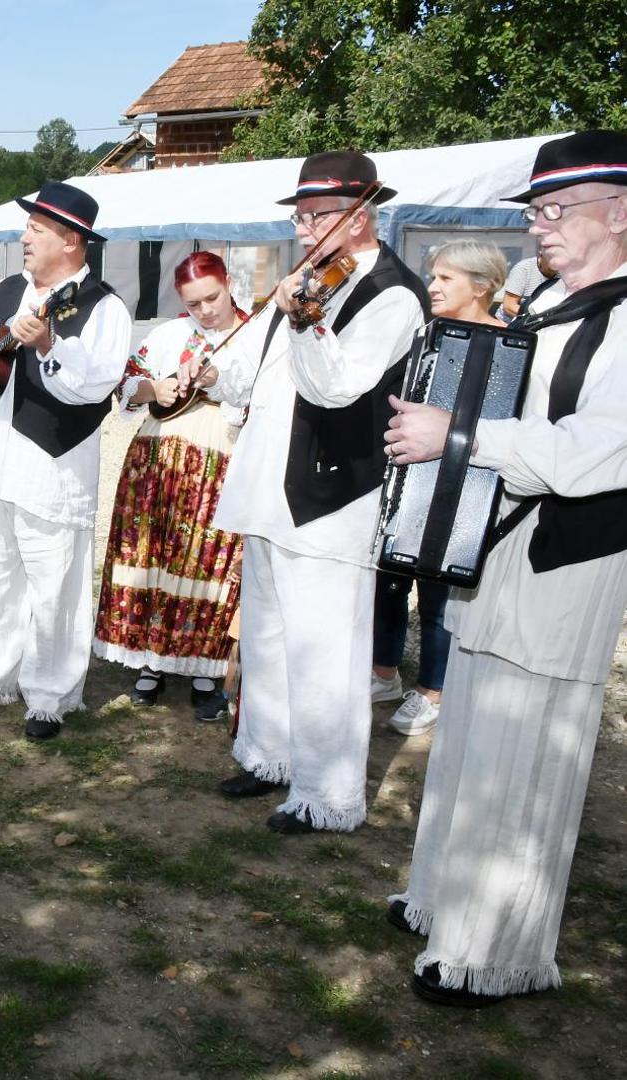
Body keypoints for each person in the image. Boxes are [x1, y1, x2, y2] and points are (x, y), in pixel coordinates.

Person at [384, 130, 627, 1007]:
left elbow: (599, 451)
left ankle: (495, 954)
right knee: (472, 743)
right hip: (495, 547)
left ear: (623, 211)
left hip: (566, 563)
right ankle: (444, 906)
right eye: (536, 211)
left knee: (526, 749)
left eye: (559, 209)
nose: (540, 227)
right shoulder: (552, 305)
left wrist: (455, 435)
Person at [185, 151, 428, 833]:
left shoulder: (394, 293)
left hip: (332, 494)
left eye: (317, 215)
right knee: (266, 634)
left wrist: (303, 318)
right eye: (299, 215)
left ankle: (329, 794)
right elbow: (255, 375)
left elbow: (337, 384)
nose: (303, 226)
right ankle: (270, 757)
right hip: (270, 481)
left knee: (325, 648)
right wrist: (211, 372)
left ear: (361, 217)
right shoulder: (306, 280)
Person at [0, 181, 132, 741]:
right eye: (28, 228)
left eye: (36, 230)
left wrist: (47, 345)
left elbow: (93, 385)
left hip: (53, 468)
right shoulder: (1, 292)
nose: (24, 238)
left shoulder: (102, 306)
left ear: (70, 240)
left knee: (55, 586)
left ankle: (50, 696)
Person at [92, 252, 245, 721]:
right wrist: (152, 389)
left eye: (212, 297)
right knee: (150, 554)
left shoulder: (256, 334)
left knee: (206, 559)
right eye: (193, 302)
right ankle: (149, 661)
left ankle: (203, 667)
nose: (204, 310)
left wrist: (224, 384)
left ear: (229, 283)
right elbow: (126, 381)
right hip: (157, 456)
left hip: (221, 457)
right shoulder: (169, 334)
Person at [372, 240, 508, 737]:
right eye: (434, 276)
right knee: (389, 578)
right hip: (410, 477)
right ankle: (383, 673)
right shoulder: (426, 335)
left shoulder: (511, 345)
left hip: (464, 488)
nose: (432, 286)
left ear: (483, 285)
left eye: (446, 278)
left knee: (438, 594)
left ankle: (433, 690)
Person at [500, 251, 557, 321]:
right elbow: (509, 306)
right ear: (540, 255)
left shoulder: (566, 274)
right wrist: (536, 318)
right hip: (509, 324)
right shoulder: (524, 269)